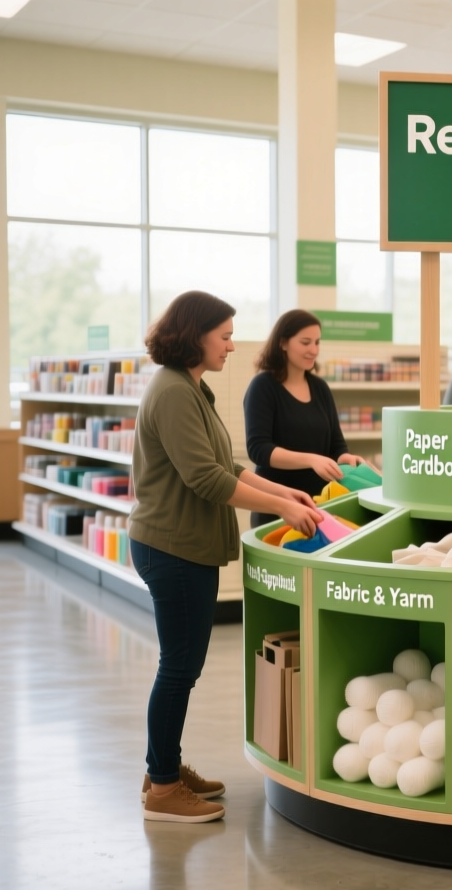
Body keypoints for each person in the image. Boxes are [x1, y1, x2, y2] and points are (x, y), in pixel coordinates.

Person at [130, 291, 321, 824]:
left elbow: (227, 465)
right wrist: (282, 509)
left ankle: (162, 768)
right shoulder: (173, 392)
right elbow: (205, 479)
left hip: (183, 546)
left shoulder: (192, 387)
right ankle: (163, 789)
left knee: (181, 667)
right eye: (225, 336)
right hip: (173, 547)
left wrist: (283, 493)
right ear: (195, 336)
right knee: (178, 669)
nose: (232, 347)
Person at [243, 309, 370, 527]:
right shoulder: (263, 387)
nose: (314, 350)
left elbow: (337, 446)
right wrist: (311, 460)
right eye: (305, 342)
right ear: (283, 343)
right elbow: (259, 450)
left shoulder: (320, 388)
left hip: (320, 508)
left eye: (317, 342)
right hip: (277, 508)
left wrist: (346, 458)